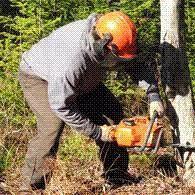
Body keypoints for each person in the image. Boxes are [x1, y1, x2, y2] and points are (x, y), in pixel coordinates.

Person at [18, 11, 164, 193]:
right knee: (51, 128)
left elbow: (133, 64)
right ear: (102, 46)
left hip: (82, 78)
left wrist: (153, 96)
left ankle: (116, 174)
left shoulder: (114, 39)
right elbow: (60, 104)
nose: (117, 64)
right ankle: (31, 187)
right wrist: (97, 132)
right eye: (116, 59)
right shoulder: (71, 61)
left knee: (112, 113)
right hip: (39, 76)